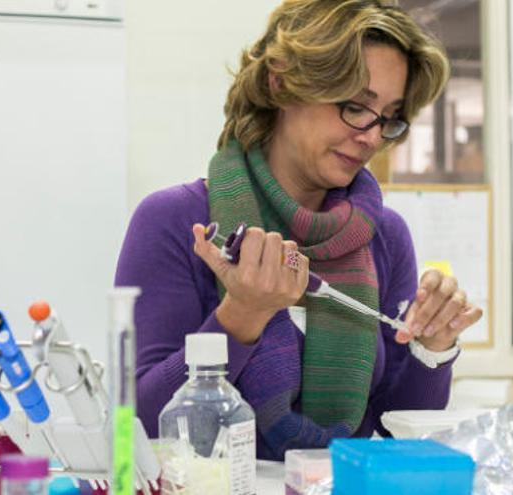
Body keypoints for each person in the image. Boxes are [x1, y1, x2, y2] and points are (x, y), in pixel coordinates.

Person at [115, 0, 483, 461]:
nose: (371, 136)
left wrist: (434, 346)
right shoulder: (175, 221)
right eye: (354, 107)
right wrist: (242, 315)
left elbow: (397, 432)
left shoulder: (384, 235)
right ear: (281, 82)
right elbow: (138, 426)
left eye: (389, 118)